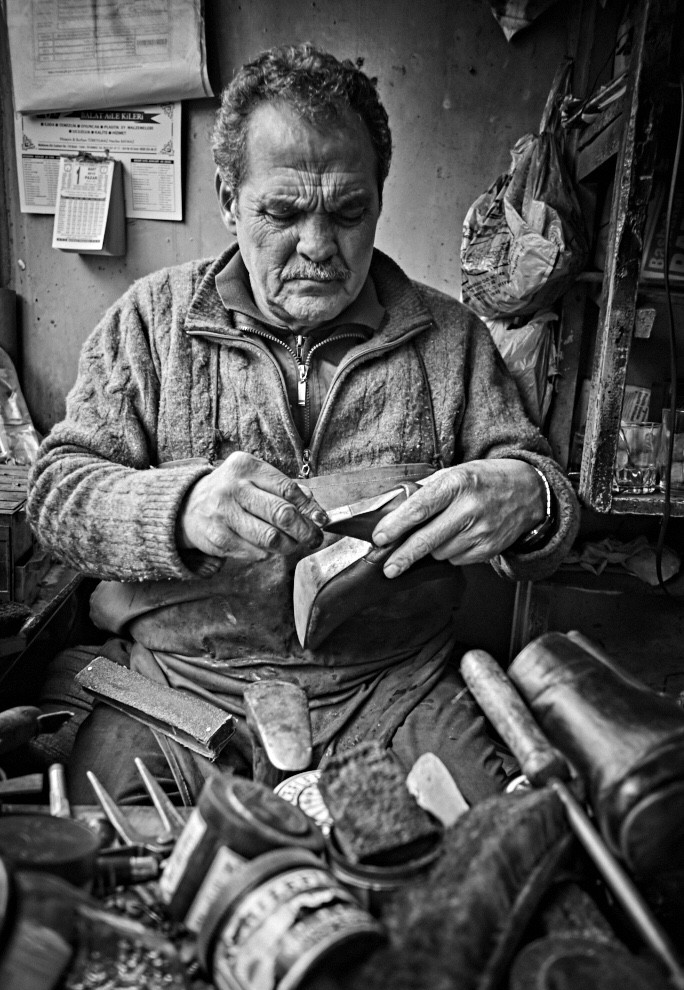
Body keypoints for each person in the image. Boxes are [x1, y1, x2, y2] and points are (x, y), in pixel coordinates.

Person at [27, 43, 580, 807]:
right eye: (283, 212)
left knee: (498, 862)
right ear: (229, 198)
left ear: (379, 197)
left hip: (395, 690)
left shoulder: (450, 339)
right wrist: (181, 509)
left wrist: (530, 501)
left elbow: (547, 498)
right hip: (184, 690)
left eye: (349, 212)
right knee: (99, 877)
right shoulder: (151, 323)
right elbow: (56, 496)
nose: (319, 247)